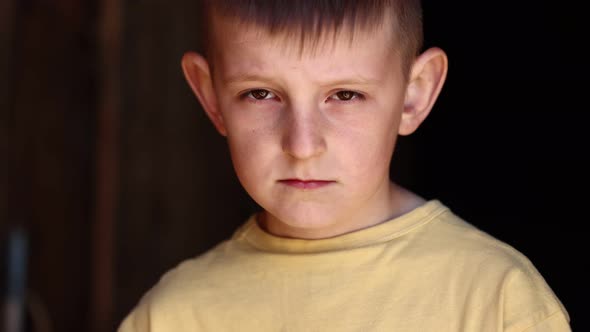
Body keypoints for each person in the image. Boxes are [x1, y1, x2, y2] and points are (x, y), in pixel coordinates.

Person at [118, 1, 571, 330]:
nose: (303, 144)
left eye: (345, 95)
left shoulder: (496, 301)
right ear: (211, 96)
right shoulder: (172, 317)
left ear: (413, 95)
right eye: (260, 94)